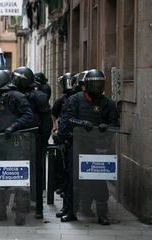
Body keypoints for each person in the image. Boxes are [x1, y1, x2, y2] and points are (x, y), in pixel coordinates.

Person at [58, 69, 119, 225]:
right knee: (74, 181)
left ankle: (102, 214)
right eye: (94, 84)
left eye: (100, 83)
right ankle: (71, 212)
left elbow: (115, 125)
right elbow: (67, 119)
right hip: (78, 145)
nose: (97, 87)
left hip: (98, 148)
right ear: (85, 85)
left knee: (99, 182)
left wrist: (107, 127)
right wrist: (81, 123)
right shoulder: (75, 100)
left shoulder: (108, 104)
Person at [0, 69, 35, 225]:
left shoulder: (18, 96)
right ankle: (0, 210)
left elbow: (28, 115)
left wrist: (12, 127)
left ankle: (20, 212)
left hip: (16, 142)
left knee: (19, 178)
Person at [12, 67, 52, 219]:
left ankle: (38, 207)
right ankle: (21, 201)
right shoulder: (14, 95)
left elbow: (46, 122)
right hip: (18, 139)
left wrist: (42, 142)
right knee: (18, 172)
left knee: (35, 174)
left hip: (34, 139)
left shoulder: (39, 97)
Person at [50, 72, 75, 218]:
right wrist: (55, 128)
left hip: (75, 139)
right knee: (63, 166)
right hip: (64, 138)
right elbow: (53, 114)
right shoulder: (61, 100)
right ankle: (60, 187)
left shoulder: (77, 98)